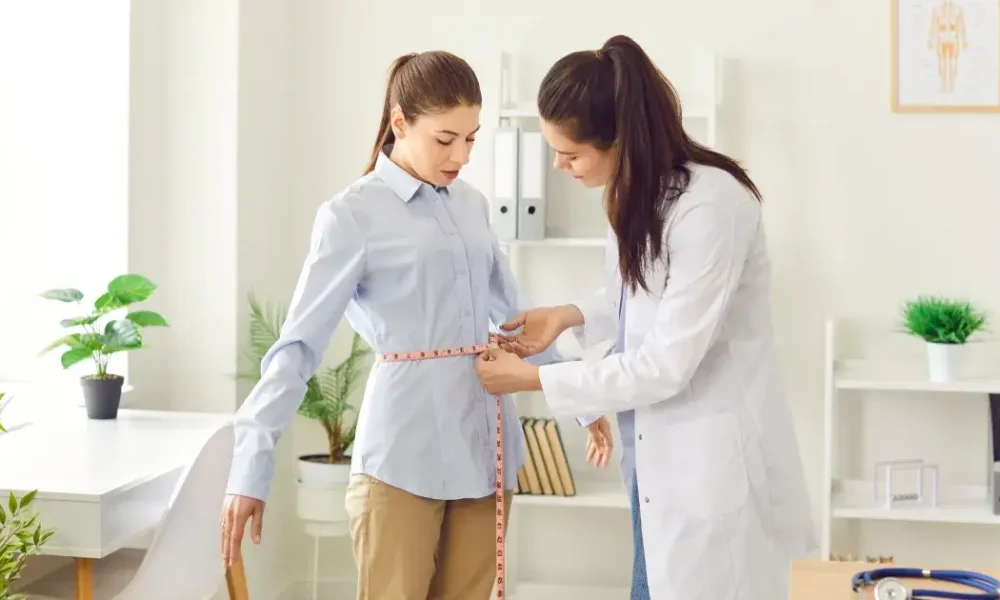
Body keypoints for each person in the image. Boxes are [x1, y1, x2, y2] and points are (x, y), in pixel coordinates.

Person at [217, 49, 607, 600]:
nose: (462, 156)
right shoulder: (351, 216)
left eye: (471, 138)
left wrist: (582, 400)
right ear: (399, 122)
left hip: (484, 452)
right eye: (445, 139)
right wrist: (249, 469)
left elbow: (515, 321)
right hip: (401, 460)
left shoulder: (472, 206)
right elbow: (297, 348)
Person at [475, 34, 817, 600]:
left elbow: (665, 363)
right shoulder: (631, 194)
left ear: (620, 139)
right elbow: (627, 299)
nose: (558, 166)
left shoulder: (713, 206)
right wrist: (565, 315)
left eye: (571, 153)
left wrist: (537, 379)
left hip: (709, 468)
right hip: (654, 465)